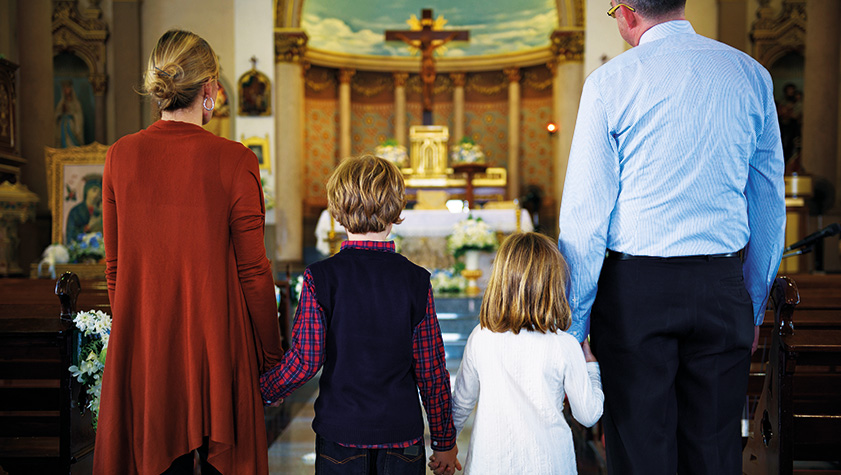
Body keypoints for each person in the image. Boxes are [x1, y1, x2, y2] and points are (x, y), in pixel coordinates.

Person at [557, 1, 786, 473]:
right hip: (721, 283)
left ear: (626, 14)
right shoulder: (751, 76)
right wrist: (754, 301)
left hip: (634, 292)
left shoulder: (609, 84)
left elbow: (586, 215)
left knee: (640, 448)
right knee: (717, 449)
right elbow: (768, 201)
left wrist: (575, 325)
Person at [95, 29, 283, 474]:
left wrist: (136, 340)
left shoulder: (120, 156)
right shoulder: (236, 160)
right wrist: (272, 355)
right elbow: (253, 272)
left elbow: (116, 270)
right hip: (219, 345)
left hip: (147, 344)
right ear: (210, 90)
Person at [260, 155, 461, 475]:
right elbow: (431, 370)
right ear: (396, 210)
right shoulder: (416, 280)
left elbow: (306, 360)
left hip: (341, 432)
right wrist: (444, 441)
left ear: (337, 211)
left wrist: (265, 391)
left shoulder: (320, 278)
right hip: (401, 434)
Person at [431, 232, 603, 474]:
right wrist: (591, 367)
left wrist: (444, 451)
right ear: (554, 284)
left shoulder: (481, 337)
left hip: (490, 464)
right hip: (549, 464)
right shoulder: (564, 344)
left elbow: (460, 405)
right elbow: (587, 415)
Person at [65, 174, 102, 244]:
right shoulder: (76, 211)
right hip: (80, 250)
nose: (97, 194)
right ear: (86, 191)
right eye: (94, 190)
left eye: (99, 192)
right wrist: (87, 228)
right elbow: (70, 234)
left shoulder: (101, 211)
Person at [54, 80, 84, 147]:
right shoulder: (62, 103)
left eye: (67, 88)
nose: (66, 90)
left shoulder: (76, 103)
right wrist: (61, 113)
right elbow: (56, 115)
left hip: (71, 124)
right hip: (62, 126)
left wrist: (72, 115)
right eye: (64, 89)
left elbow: (79, 115)